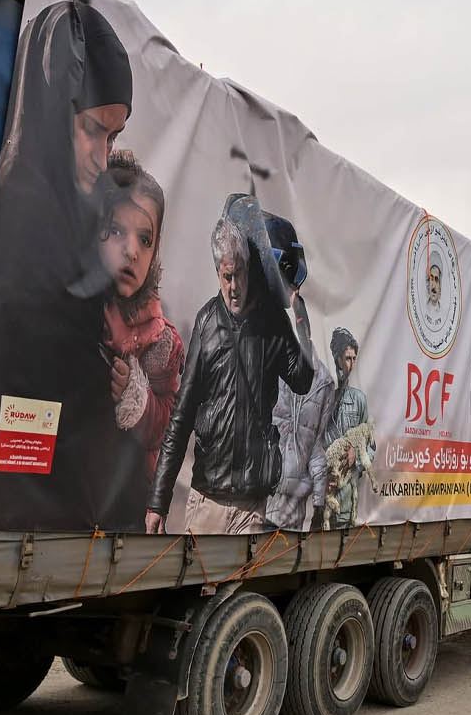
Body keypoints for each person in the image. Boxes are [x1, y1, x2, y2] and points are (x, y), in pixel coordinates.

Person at [0, 0, 145, 532]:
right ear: (49, 106)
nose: (102, 157)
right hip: (21, 503)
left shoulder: (70, 206)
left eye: (114, 136)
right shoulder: (29, 208)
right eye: (91, 129)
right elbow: (34, 358)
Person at [145, 213, 313, 534]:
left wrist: (301, 321)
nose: (233, 287)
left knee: (241, 587)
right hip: (208, 500)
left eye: (239, 275)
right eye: (226, 276)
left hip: (252, 504)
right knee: (202, 586)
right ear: (217, 272)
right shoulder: (207, 322)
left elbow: (302, 380)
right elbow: (182, 415)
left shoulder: (273, 321)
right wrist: (158, 501)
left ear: (250, 268)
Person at [96, 151, 184, 483]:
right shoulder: (76, 307)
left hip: (124, 498)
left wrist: (137, 398)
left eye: (145, 239)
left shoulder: (161, 339)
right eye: (117, 231)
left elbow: (167, 426)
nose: (132, 250)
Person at [265, 296, 337, 531]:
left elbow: (316, 445)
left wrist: (318, 504)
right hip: (265, 498)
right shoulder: (271, 361)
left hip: (292, 509)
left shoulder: (325, 383)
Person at [323, 327, 373, 529]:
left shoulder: (359, 400)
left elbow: (372, 448)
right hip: (321, 501)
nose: (350, 365)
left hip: (346, 506)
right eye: (346, 358)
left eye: (354, 359)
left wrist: (356, 457)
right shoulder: (324, 399)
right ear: (336, 360)